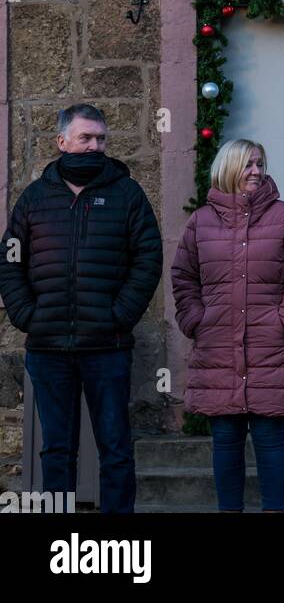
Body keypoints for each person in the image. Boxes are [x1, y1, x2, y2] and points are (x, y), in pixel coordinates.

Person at [0, 103, 162, 514]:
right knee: (56, 452)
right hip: (48, 348)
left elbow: (148, 257)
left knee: (116, 448)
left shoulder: (126, 194)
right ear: (62, 142)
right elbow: (10, 258)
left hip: (107, 346)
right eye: (86, 138)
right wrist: (27, 315)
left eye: (101, 139)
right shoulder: (35, 198)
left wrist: (119, 315)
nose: (95, 146)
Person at [171, 139, 284, 513]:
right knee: (225, 438)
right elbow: (183, 276)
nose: (256, 171)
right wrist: (195, 320)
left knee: (270, 437)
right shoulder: (200, 221)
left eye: (260, 164)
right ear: (228, 169)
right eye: (248, 164)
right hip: (217, 344)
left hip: (270, 345)